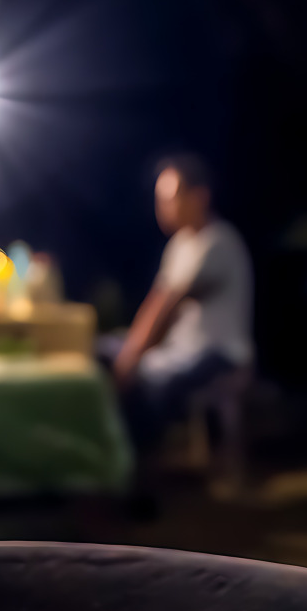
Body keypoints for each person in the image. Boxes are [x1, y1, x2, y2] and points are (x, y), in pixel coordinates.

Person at [106, 154, 254, 457]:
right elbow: (157, 302)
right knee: (105, 350)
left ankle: (141, 467)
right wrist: (131, 350)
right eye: (160, 199)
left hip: (219, 352)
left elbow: (165, 306)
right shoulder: (179, 244)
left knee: (149, 383)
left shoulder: (218, 242)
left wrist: (132, 356)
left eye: (170, 198)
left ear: (199, 196)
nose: (163, 208)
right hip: (181, 349)